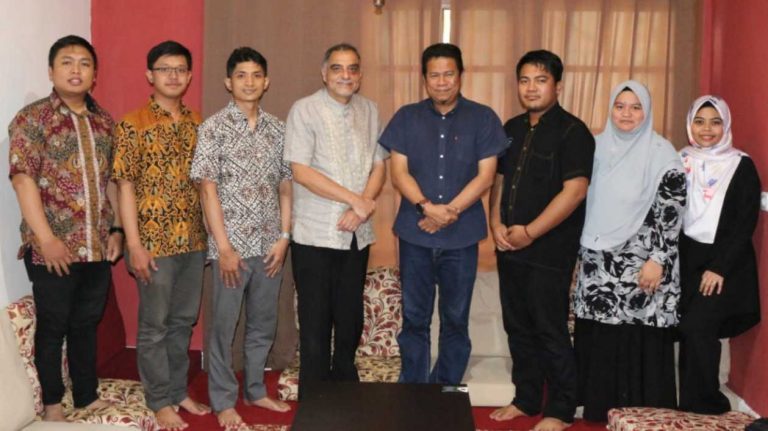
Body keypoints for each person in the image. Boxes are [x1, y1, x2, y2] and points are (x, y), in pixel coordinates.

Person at [8, 35, 122, 421]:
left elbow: (110, 182)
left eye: (84, 63)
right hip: (52, 249)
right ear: (51, 71)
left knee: (87, 324)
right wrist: (46, 239)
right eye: (67, 62)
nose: (76, 70)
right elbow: (22, 179)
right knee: (53, 327)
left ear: (94, 74)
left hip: (96, 246)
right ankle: (53, 405)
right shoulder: (32, 119)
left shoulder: (104, 122)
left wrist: (117, 230)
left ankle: (86, 396)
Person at [379, 43, 508, 385]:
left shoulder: (483, 118)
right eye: (434, 75)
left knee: (455, 320)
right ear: (424, 78)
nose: (441, 82)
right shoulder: (406, 117)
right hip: (414, 234)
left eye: (448, 74)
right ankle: (414, 389)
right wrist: (427, 207)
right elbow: (399, 173)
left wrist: (450, 212)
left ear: (460, 75)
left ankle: (446, 388)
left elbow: (486, 176)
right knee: (414, 319)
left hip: (461, 237)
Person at [488, 50, 594, 431]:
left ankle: (561, 409)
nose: (531, 88)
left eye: (541, 80)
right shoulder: (511, 128)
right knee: (518, 328)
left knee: (550, 329)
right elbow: (500, 180)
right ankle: (526, 398)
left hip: (549, 251)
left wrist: (530, 232)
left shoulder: (574, 132)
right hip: (509, 248)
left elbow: (575, 191)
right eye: (525, 80)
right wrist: (495, 223)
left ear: (558, 86)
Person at [191, 47, 292, 428]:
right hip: (230, 250)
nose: (249, 82)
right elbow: (207, 190)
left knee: (263, 325)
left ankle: (255, 390)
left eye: (256, 75)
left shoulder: (278, 129)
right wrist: (223, 248)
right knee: (223, 328)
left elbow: (286, 186)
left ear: (266, 82)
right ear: (228, 82)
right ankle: (223, 401)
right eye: (241, 75)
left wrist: (284, 237)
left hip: (270, 248)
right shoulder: (213, 128)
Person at [574, 80, 686, 421]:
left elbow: (671, 212)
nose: (626, 114)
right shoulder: (594, 148)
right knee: (603, 334)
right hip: (598, 258)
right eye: (620, 106)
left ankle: (644, 413)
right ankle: (600, 408)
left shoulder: (662, 153)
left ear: (647, 112)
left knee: (639, 335)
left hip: (644, 260)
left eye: (636, 107)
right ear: (610, 108)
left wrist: (658, 260)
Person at [112, 40, 210, 429]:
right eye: (165, 69)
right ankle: (159, 400)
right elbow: (124, 187)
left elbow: (206, 187)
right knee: (154, 326)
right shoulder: (132, 124)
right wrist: (133, 244)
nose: (173, 75)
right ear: (149, 75)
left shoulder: (198, 124)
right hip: (152, 244)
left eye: (180, 69)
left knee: (183, 322)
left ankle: (177, 390)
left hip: (193, 242)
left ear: (189, 75)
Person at [284, 43, 387, 398]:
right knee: (315, 325)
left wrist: (362, 207)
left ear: (360, 75)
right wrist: (353, 200)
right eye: (338, 68)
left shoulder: (370, 110)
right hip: (314, 234)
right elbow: (300, 171)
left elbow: (379, 165)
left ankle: (346, 400)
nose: (346, 75)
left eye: (353, 68)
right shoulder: (305, 109)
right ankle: (314, 405)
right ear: (324, 73)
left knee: (349, 321)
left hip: (357, 234)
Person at [678, 95, 761, 414]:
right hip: (687, 258)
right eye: (699, 122)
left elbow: (745, 222)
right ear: (690, 125)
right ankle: (689, 403)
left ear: (725, 126)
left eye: (715, 122)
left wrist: (720, 268)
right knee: (691, 329)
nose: (707, 129)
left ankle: (709, 402)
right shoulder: (680, 160)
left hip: (724, 262)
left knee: (699, 326)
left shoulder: (741, 165)